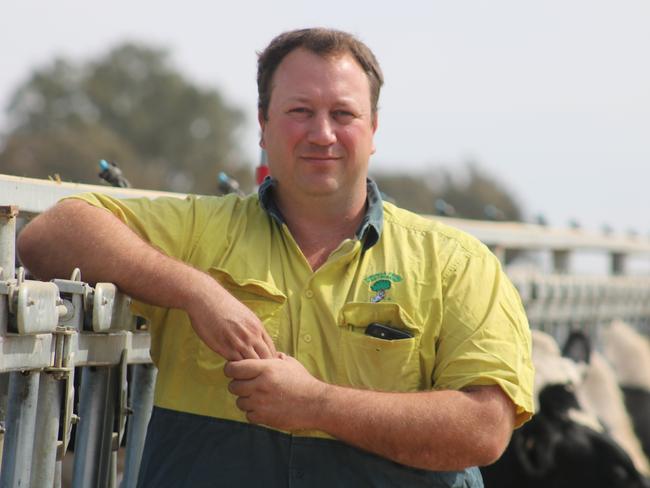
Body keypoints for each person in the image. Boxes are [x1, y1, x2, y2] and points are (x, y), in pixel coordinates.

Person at [18, 28, 534, 487]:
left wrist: (316, 404)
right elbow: (51, 234)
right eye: (299, 111)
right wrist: (197, 292)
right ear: (263, 125)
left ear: (374, 129)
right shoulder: (201, 230)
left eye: (343, 114)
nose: (322, 134)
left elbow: (484, 429)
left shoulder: (455, 264)